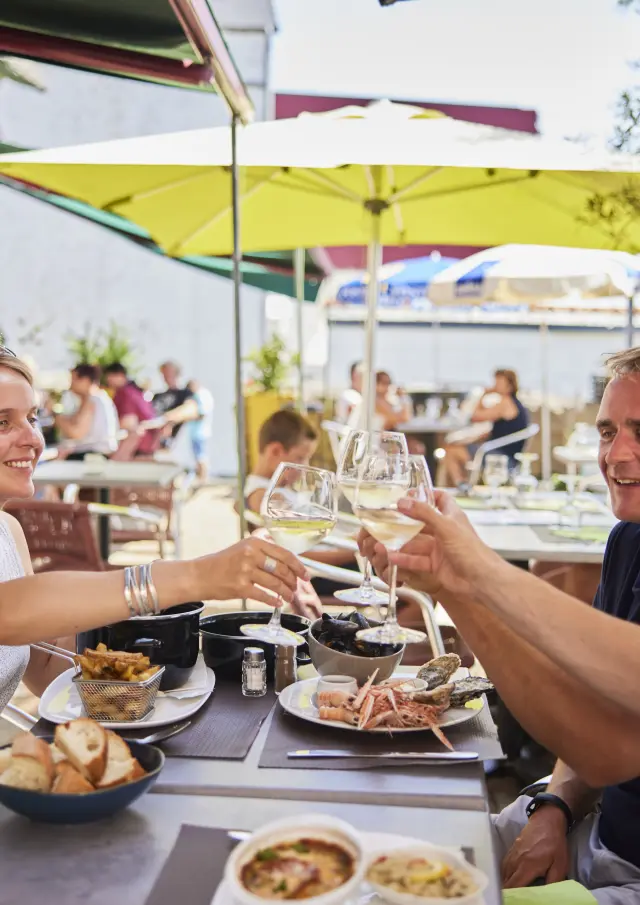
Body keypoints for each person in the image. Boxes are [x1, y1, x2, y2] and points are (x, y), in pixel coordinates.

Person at [358, 346, 640, 901]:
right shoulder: (628, 540)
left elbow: (613, 744)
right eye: (608, 432)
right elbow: (594, 721)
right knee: (383, 861)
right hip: (595, 829)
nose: (618, 454)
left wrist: (479, 571)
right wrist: (554, 807)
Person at [0, 348, 307, 710]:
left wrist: (160, 641)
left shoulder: (9, 530)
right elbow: (7, 612)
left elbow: (46, 666)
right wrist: (195, 575)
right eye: (3, 422)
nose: (34, 439)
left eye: (33, 419)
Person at [444, 368, 529, 486]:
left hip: (500, 455)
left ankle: (462, 484)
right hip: (500, 450)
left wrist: (484, 393)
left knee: (451, 449)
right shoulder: (514, 403)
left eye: (499, 382)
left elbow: (475, 416)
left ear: (509, 385)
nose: (495, 385)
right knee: (458, 446)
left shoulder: (505, 403)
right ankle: (465, 483)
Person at [55, 364, 119, 458]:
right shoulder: (99, 397)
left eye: (74, 380)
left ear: (85, 381)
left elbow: (76, 433)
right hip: (95, 454)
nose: (70, 385)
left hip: (92, 456)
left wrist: (57, 417)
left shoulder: (92, 400)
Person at [103, 362, 158, 457]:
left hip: (137, 447)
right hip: (148, 445)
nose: (108, 381)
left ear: (120, 375)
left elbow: (128, 423)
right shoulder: (135, 391)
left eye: (110, 377)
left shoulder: (125, 393)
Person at [152, 361, 199, 438]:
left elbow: (191, 409)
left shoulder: (184, 393)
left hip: (164, 438)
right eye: (165, 373)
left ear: (176, 373)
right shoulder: (157, 396)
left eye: (170, 372)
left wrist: (168, 420)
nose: (167, 375)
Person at [186, 378, 214, 481]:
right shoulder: (203, 394)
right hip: (198, 432)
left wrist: (187, 415)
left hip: (199, 432)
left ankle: (203, 479)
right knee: (200, 456)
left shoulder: (201, 395)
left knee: (201, 456)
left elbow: (202, 414)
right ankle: (202, 478)